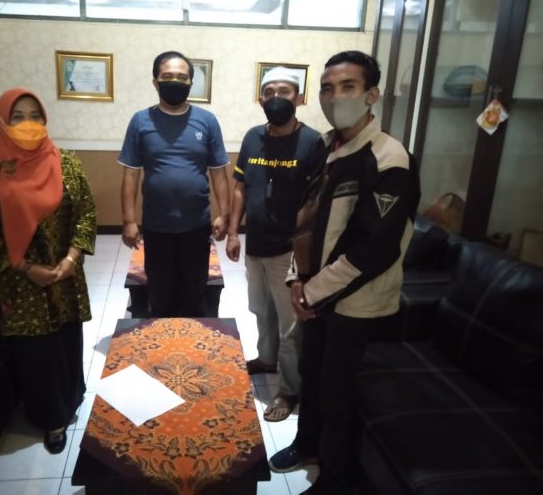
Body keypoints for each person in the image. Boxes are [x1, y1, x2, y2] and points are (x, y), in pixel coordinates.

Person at [268, 51, 420, 494]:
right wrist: (296, 279)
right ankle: (307, 444)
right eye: (328, 89)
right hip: (316, 294)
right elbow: (307, 222)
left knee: (338, 391)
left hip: (356, 302)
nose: (336, 97)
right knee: (311, 373)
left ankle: (335, 477)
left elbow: (374, 249)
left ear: (371, 95)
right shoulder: (327, 148)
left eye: (348, 87)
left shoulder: (389, 159)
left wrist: (311, 292)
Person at [0, 88, 96, 455]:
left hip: (65, 276)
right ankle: (50, 418)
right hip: (21, 282)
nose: (28, 124)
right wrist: (25, 266)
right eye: (17, 117)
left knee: (66, 342)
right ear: (3, 122)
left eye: (34, 116)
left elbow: (86, 212)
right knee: (37, 352)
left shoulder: (66, 162)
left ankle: (71, 397)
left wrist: (71, 259)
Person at [226, 67, 323, 422]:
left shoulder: (312, 142)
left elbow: (315, 200)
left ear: (299, 97)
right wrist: (234, 232)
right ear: (260, 99)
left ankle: (288, 390)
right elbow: (240, 188)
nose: (276, 98)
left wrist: (300, 245)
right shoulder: (253, 138)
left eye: (284, 91)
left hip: (288, 250)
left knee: (290, 325)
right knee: (260, 309)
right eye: (269, 92)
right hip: (255, 244)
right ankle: (266, 360)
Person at [119, 50, 231, 317]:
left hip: (197, 227)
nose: (175, 81)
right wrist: (128, 220)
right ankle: (164, 341)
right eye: (167, 76)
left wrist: (224, 214)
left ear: (191, 82)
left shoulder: (207, 121)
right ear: (155, 81)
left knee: (195, 295)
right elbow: (131, 174)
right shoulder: (140, 121)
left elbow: (218, 173)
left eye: (182, 77)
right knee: (160, 295)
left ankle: (190, 341)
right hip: (157, 227)